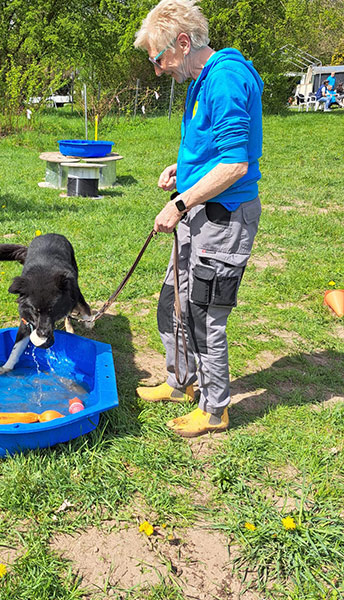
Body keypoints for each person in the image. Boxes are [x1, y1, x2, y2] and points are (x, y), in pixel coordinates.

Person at [133, 0, 263, 437]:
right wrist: (181, 171)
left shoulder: (225, 79)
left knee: (205, 315)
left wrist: (180, 202)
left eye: (158, 58)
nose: (157, 69)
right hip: (199, 209)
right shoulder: (199, 80)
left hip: (222, 219)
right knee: (173, 302)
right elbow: (211, 150)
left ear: (183, 43)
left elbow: (234, 165)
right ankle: (181, 383)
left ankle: (214, 409)